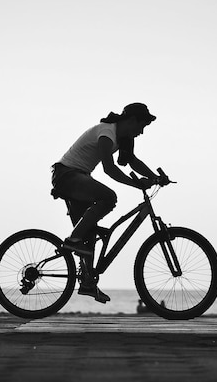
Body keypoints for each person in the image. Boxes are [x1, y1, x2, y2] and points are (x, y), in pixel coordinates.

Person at [51, 103, 162, 303]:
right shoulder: (107, 133)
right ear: (131, 121)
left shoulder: (122, 138)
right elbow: (109, 169)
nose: (142, 132)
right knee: (109, 198)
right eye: (142, 126)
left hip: (79, 177)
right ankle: (72, 240)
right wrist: (136, 185)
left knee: (89, 234)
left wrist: (154, 178)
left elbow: (132, 161)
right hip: (67, 176)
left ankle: (87, 282)